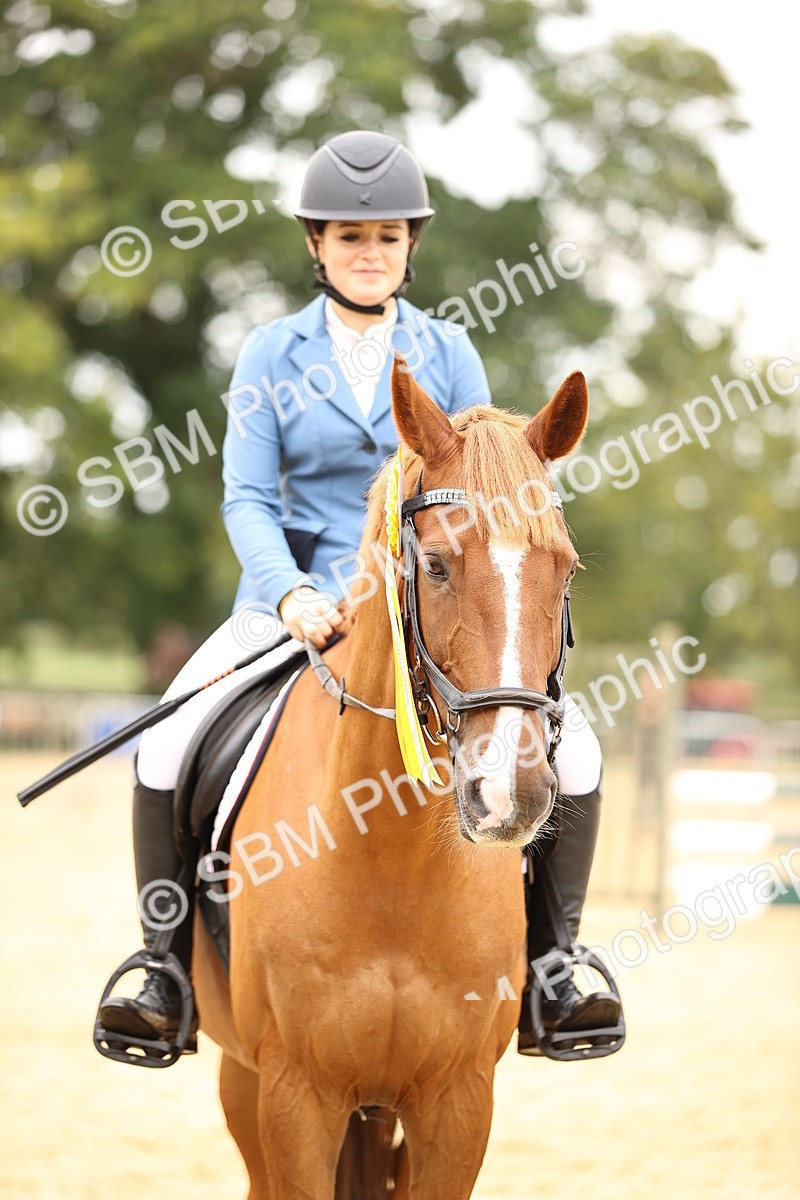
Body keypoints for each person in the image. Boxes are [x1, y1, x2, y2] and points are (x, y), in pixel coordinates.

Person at [99, 130, 620, 1055]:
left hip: (424, 605)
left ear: (411, 243)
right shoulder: (270, 351)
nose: (369, 252)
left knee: (575, 754)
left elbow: (486, 488)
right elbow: (247, 497)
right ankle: (163, 967)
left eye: (386, 236)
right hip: (288, 602)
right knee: (168, 742)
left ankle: (554, 966)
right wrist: (291, 594)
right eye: (350, 236)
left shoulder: (448, 349)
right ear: (318, 244)